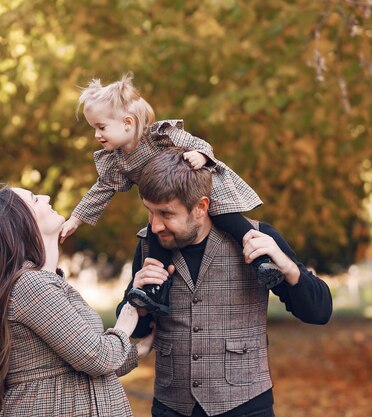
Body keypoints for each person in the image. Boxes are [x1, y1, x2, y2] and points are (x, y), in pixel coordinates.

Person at [116, 148, 333, 417]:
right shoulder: (150, 244)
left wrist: (287, 266)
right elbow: (135, 331)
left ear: (201, 207)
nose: (156, 225)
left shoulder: (257, 237)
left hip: (246, 406)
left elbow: (319, 312)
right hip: (171, 407)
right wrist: (136, 299)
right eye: (150, 212)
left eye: (166, 214)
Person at [60, 73, 283, 316]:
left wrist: (201, 156)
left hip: (201, 193)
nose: (96, 135)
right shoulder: (117, 161)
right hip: (165, 207)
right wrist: (76, 219)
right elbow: (101, 190)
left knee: (230, 221)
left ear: (127, 122)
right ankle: (156, 291)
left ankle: (263, 263)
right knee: (155, 244)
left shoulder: (158, 135)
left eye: (101, 127)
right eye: (94, 128)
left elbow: (198, 143)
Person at [0, 185, 154, 417]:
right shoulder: (32, 286)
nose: (47, 196)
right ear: (21, 225)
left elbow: (79, 367)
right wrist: (124, 326)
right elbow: (96, 358)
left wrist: (142, 348)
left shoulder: (48, 283)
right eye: (35, 199)